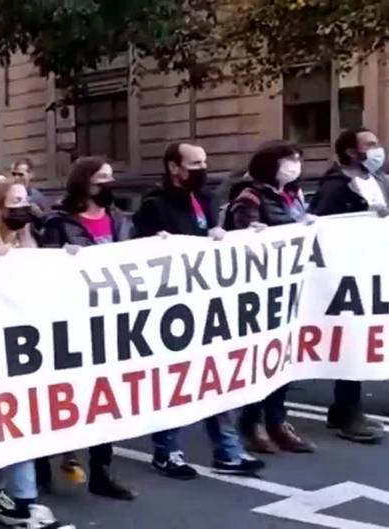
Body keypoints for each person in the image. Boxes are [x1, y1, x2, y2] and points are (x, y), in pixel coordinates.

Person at [133, 142, 264, 478]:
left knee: (215, 378)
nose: (202, 167)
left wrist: (235, 235)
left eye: (204, 161)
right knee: (174, 381)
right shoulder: (154, 204)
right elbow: (138, 251)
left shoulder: (206, 198)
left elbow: (210, 236)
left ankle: (228, 451)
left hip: (207, 304)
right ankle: (167, 451)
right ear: (174, 167)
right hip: (171, 308)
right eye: (194, 163)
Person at [0, 178, 77, 528]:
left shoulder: (36, 239)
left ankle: (2, 494)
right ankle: (21, 501)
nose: (24, 207)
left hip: (36, 345)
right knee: (13, 422)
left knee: (24, 423)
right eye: (15, 201)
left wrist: (70, 258)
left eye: (26, 200)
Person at [40, 156, 136, 500]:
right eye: (102, 177)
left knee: (105, 398)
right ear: (84, 182)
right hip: (72, 322)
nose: (109, 182)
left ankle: (101, 469)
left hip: (112, 321)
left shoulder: (121, 219)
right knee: (64, 396)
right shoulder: (58, 223)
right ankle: (42, 461)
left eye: (112, 176)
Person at [223, 141, 317, 453]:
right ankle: (252, 423)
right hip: (262, 292)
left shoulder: (295, 195)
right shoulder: (249, 196)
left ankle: (277, 421)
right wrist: (255, 231)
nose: (295, 165)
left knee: (286, 358)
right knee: (263, 359)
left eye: (298, 159)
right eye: (289, 160)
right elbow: (244, 234)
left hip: (291, 287)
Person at [311, 127, 389, 443]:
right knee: (353, 343)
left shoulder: (379, 181)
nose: (376, 149)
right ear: (350, 153)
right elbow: (321, 227)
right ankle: (347, 412)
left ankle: (343, 410)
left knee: (367, 341)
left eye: (376, 143)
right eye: (369, 145)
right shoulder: (336, 187)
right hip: (347, 277)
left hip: (375, 273)